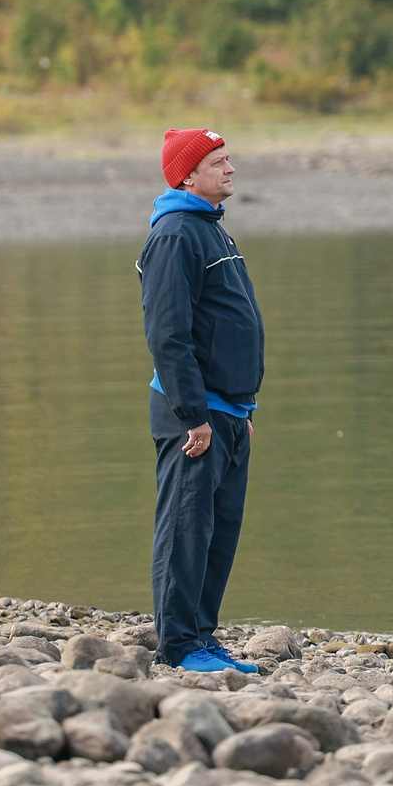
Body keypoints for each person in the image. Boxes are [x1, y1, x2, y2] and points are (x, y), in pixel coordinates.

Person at [138, 127, 265, 673]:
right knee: (187, 529)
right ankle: (179, 646)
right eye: (219, 162)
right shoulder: (175, 235)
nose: (230, 169)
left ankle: (204, 637)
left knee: (218, 533)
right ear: (188, 175)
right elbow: (169, 333)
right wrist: (194, 414)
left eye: (228, 159)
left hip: (227, 411)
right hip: (193, 412)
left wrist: (243, 410)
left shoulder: (211, 231)